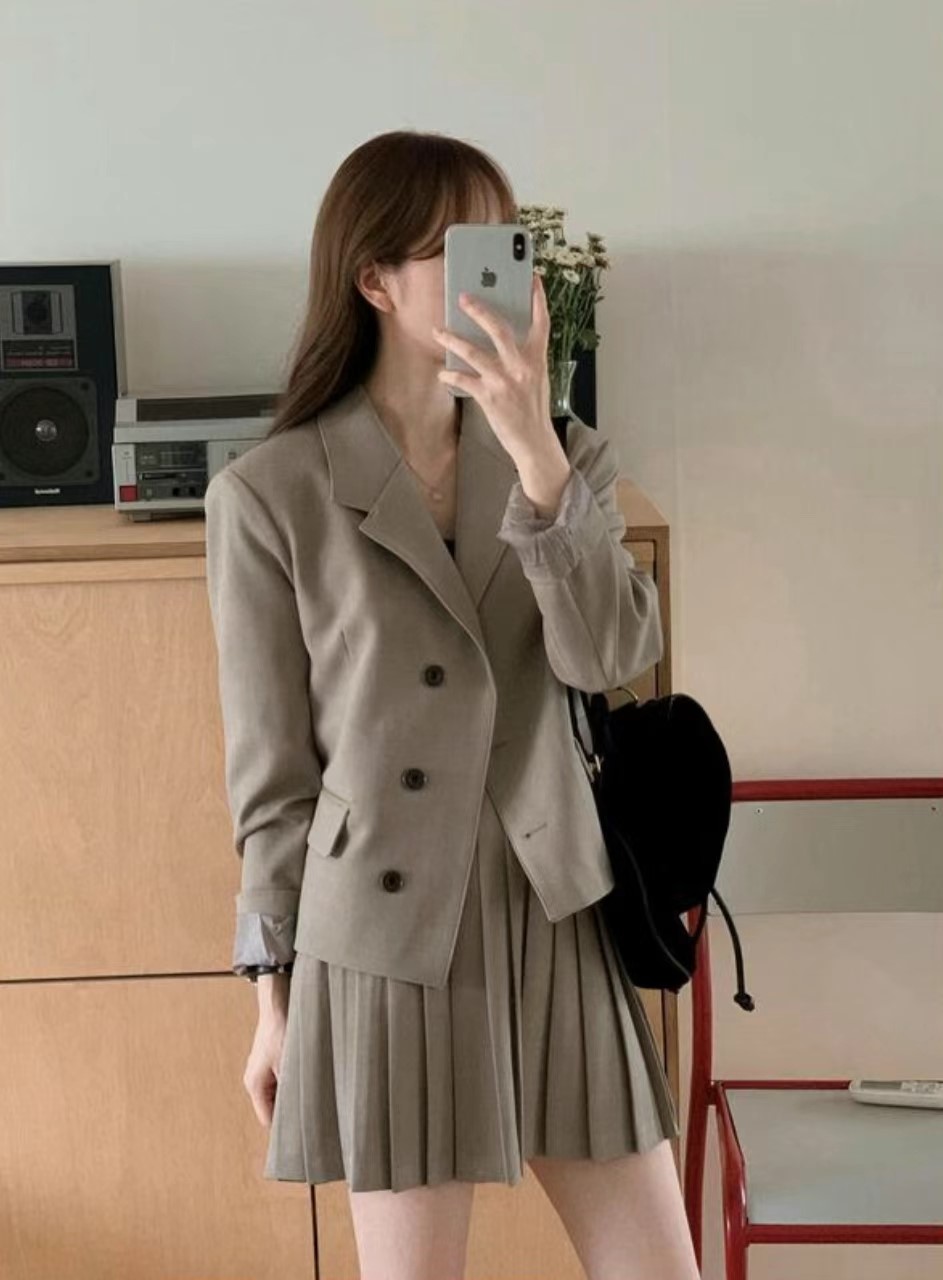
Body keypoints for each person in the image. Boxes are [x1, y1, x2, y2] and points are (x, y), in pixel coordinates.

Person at [204, 128, 700, 1280]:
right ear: (374, 280)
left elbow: (610, 651)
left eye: (507, 245)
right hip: (384, 940)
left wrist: (534, 449)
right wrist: (272, 998)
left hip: (552, 905)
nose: (500, 273)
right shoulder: (269, 495)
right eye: (460, 249)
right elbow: (272, 782)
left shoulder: (562, 456)